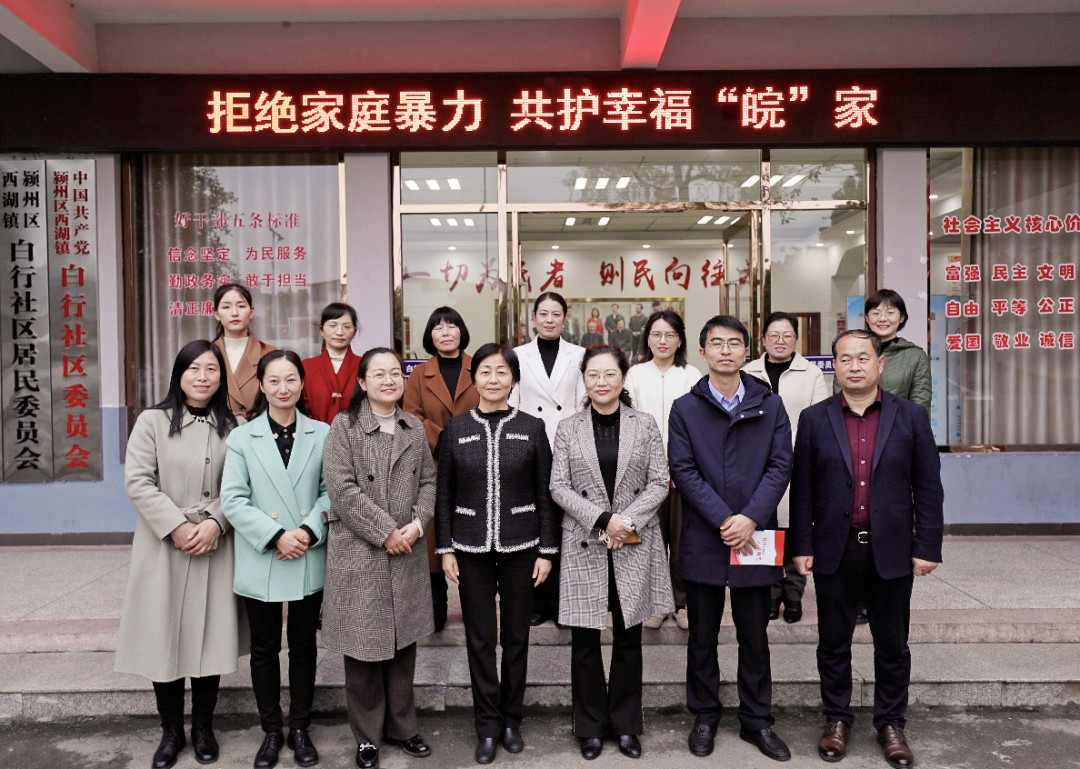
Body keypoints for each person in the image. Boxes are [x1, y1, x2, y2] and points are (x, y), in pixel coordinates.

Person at [791, 329, 944, 769]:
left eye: (863, 357)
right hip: (834, 549)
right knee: (832, 642)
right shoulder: (815, 418)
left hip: (891, 550)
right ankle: (836, 719)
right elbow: (802, 489)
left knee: (892, 644)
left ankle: (891, 724)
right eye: (845, 359)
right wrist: (801, 544)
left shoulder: (910, 416)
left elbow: (928, 487)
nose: (854, 366)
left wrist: (927, 545)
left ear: (880, 364)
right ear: (834, 367)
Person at [668, 315, 793, 763]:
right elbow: (683, 469)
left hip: (755, 537)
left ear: (747, 351)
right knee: (702, 636)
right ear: (703, 352)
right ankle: (705, 715)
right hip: (705, 534)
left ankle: (757, 720)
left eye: (734, 343)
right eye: (716, 343)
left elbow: (781, 465)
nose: (725, 350)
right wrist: (726, 518)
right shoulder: (685, 408)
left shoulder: (770, 404)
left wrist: (750, 518)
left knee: (754, 635)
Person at [116, 340, 243, 769]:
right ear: (179, 374)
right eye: (194, 369)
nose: (202, 377)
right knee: (163, 635)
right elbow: (138, 481)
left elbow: (243, 484)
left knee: (210, 638)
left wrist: (216, 522)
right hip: (164, 546)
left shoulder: (235, 426)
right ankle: (171, 731)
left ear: (221, 377)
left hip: (215, 544)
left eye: (211, 369)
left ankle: (203, 727)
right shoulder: (152, 421)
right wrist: (177, 526)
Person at [435, 343, 558, 765]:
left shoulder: (532, 428)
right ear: (474, 379)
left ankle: (511, 721)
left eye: (502, 372)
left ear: (513, 380)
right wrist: (445, 548)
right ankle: (487, 725)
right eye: (485, 371)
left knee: (516, 638)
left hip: (523, 546)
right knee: (481, 639)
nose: (493, 379)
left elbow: (545, 493)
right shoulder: (456, 429)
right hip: (470, 548)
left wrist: (547, 550)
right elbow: (444, 494)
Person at [550, 345, 673, 761]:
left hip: (632, 541)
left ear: (623, 378)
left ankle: (625, 725)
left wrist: (626, 522)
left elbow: (659, 481)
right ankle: (588, 727)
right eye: (593, 375)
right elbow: (558, 486)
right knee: (584, 640)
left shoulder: (645, 423)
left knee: (628, 638)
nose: (601, 382)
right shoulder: (568, 427)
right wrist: (604, 520)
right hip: (586, 539)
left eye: (610, 374)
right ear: (584, 380)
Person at [323, 348, 438, 769]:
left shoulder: (413, 427)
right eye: (379, 374)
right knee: (363, 648)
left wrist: (418, 524)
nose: (389, 381)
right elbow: (341, 489)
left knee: (403, 645)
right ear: (362, 382)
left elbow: (429, 481)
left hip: (406, 548)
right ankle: (367, 737)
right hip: (361, 550)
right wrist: (385, 531)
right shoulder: (344, 426)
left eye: (395, 373)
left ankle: (403, 727)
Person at [221, 350, 330, 769]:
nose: (283, 388)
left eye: (291, 380)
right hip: (263, 552)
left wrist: (306, 532)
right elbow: (233, 499)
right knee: (264, 648)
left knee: (303, 646)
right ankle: (271, 729)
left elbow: (331, 491)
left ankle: (300, 726)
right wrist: (275, 536)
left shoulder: (322, 433)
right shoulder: (241, 437)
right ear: (262, 386)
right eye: (274, 381)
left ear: (302, 383)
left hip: (306, 549)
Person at [744, 311, 829, 624]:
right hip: (757, 466)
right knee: (765, 529)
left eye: (787, 335)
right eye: (774, 335)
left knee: (795, 530)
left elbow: (820, 419)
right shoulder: (747, 371)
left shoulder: (811, 373)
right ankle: (770, 594)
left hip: (799, 462)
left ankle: (793, 596)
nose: (780, 341)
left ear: (796, 339)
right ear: (763, 339)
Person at [509, 291, 586, 626]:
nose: (550, 319)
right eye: (543, 313)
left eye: (556, 314)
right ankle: (537, 602)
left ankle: (563, 602)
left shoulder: (579, 355)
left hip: (569, 446)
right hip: (530, 444)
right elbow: (512, 400)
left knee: (566, 524)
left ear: (565, 318)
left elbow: (583, 402)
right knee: (535, 522)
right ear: (534, 318)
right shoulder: (518, 355)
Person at [402, 307, 481, 632]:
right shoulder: (420, 374)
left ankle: (475, 606)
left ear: (462, 331)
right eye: (438, 327)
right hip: (432, 465)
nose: (445, 332)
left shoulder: (479, 366)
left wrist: (467, 440)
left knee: (472, 534)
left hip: (477, 463)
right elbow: (411, 416)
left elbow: (491, 405)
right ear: (429, 335)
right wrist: (446, 438)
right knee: (433, 537)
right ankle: (435, 606)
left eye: (451, 326)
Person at [624, 309, 701, 630]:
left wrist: (680, 458)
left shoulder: (692, 375)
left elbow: (700, 425)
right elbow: (628, 421)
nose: (663, 341)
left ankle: (681, 603)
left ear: (680, 340)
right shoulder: (635, 374)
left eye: (670, 335)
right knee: (648, 541)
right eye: (656, 334)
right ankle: (654, 603)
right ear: (647, 339)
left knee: (682, 542)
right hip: (645, 475)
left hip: (684, 471)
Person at [836, 289, 931, 415]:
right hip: (855, 425)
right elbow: (839, 399)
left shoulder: (916, 357)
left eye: (890, 313)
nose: (882, 319)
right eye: (876, 313)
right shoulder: (850, 352)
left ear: (901, 317)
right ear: (867, 318)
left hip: (899, 426)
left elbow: (920, 407)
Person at [212, 283, 277, 416]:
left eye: (241, 306)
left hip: (259, 426)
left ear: (251, 312)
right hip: (216, 427)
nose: (234, 313)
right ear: (217, 314)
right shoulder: (206, 355)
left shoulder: (271, 355)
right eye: (226, 307)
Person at [300, 302, 361, 424]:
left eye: (347, 327)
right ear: (321, 330)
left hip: (357, 434)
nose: (339, 332)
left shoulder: (365, 365)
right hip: (315, 432)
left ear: (354, 332)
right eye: (333, 325)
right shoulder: (306, 366)